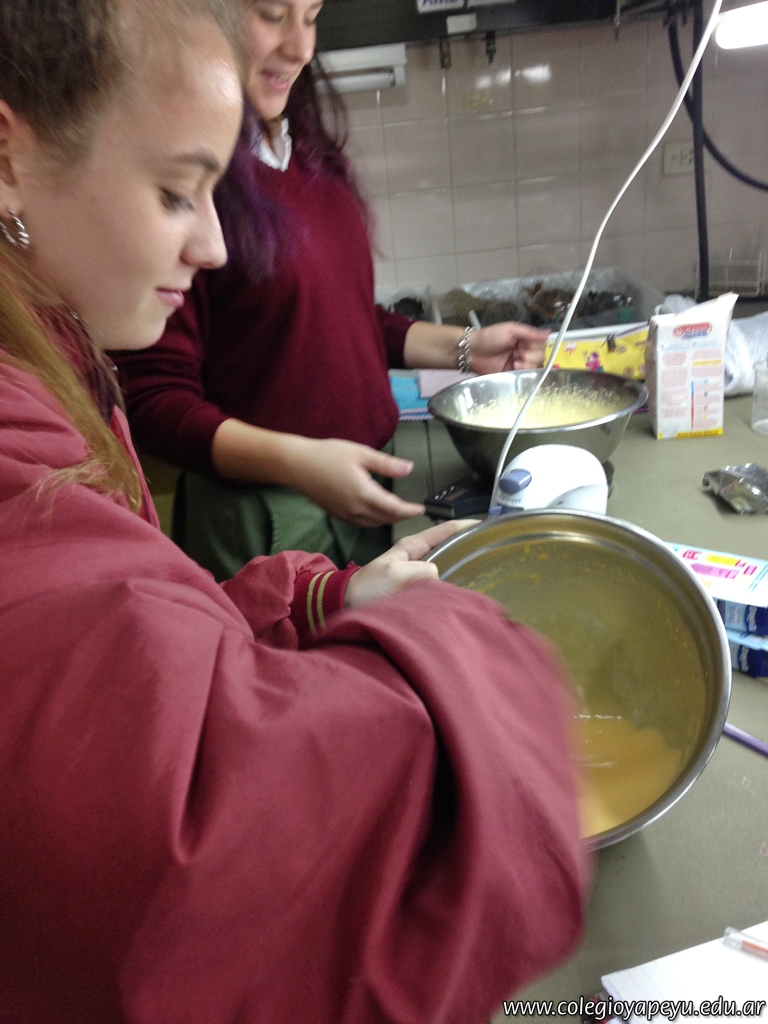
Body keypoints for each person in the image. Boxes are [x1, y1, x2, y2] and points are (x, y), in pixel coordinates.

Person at [0, 1, 587, 1021]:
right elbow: (214, 844)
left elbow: (143, 650)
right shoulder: (25, 464)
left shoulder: (59, 346)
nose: (215, 246)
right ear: (9, 158)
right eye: (175, 194)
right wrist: (490, 664)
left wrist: (318, 604)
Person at [112, 0, 551, 582]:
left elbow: (337, 319)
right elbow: (152, 399)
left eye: (311, 15)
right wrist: (299, 462)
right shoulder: (188, 184)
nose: (300, 47)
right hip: (267, 518)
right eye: (272, 14)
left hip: (356, 487)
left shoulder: (304, 156)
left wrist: (466, 348)